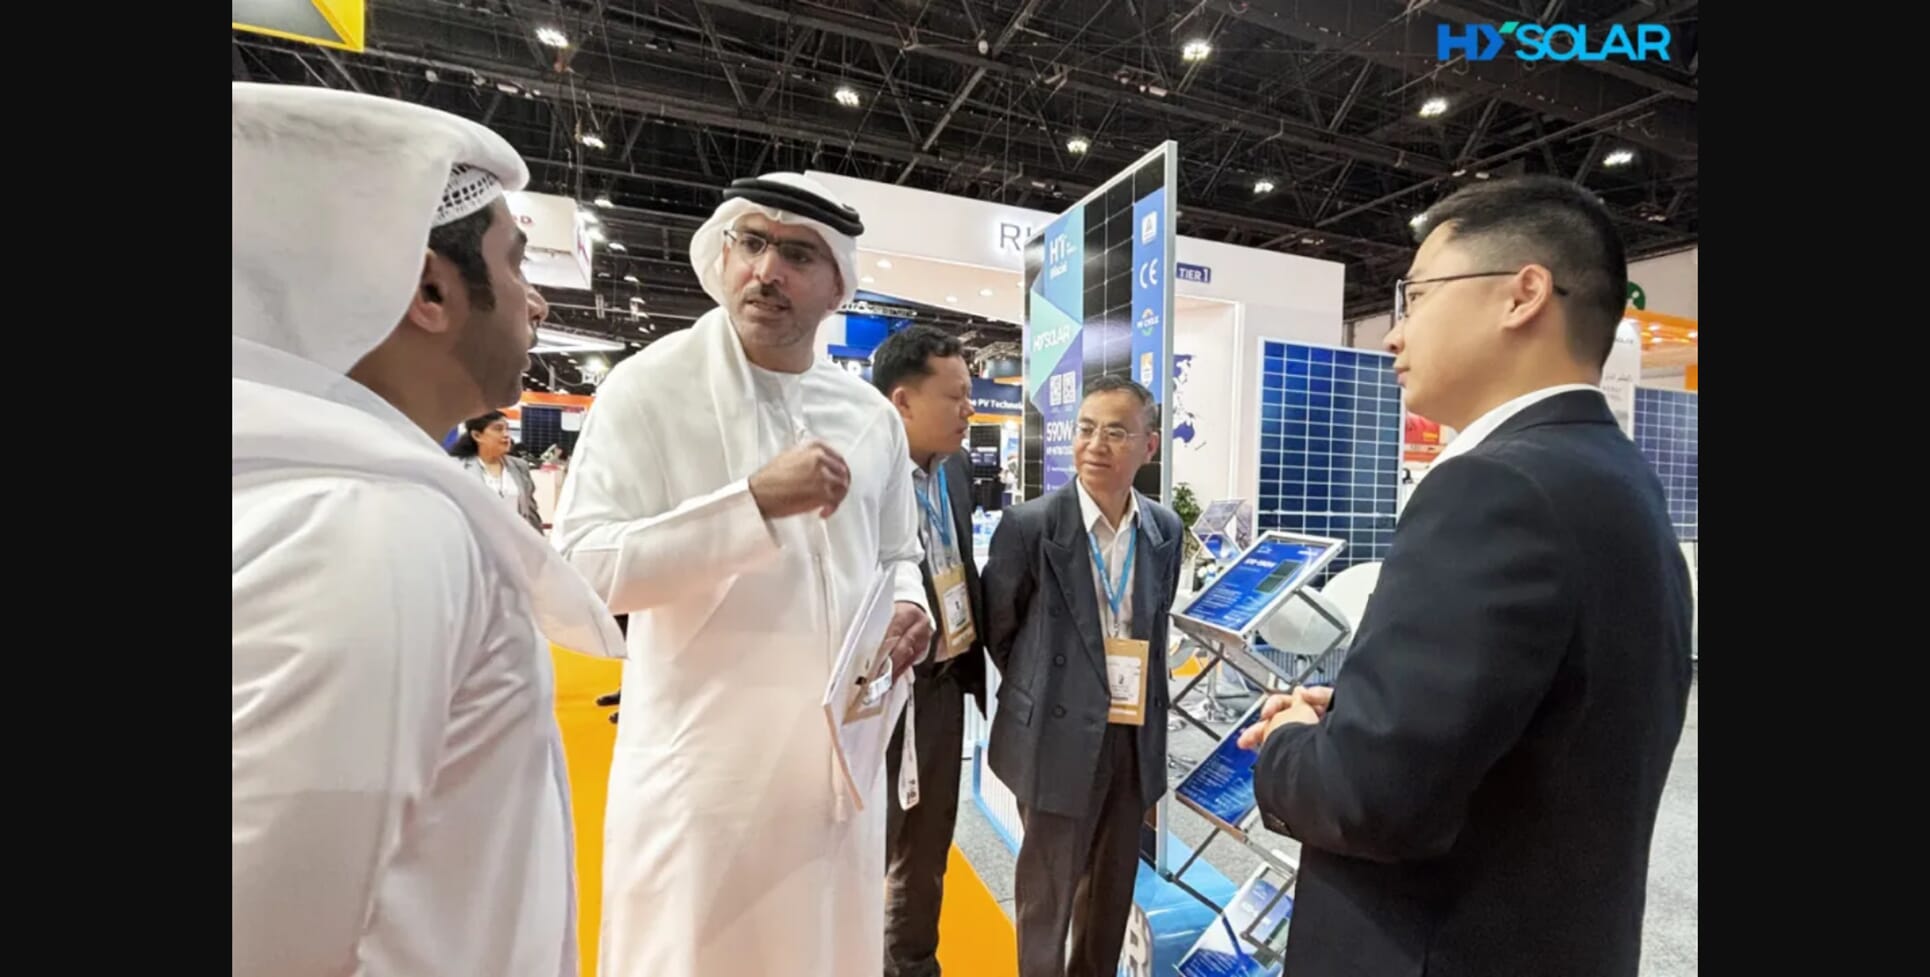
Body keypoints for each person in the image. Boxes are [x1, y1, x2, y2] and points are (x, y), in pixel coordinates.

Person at [1238, 175, 1693, 977]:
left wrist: (1287, 743)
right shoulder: (1616, 477)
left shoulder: (1492, 487)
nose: (1393, 334)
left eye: (1416, 296)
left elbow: (1368, 799)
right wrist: (1362, 713)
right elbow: (1547, 722)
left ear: (1522, 294)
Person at [231, 83, 625, 977]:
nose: (537, 302)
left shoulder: (321, 492)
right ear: (430, 288)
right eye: (516, 264)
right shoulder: (372, 526)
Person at [548, 172, 933, 977]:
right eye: (751, 242)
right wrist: (751, 504)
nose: (767, 270)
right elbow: (585, 565)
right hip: (702, 782)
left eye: (798, 254)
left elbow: (901, 554)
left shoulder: (869, 417)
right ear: (721, 255)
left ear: (838, 286)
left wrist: (910, 609)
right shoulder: (650, 388)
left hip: (832, 785)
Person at [981, 376, 1184, 977]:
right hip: (1054, 733)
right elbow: (1003, 630)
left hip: (1130, 735)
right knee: (1047, 897)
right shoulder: (1030, 525)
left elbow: (1154, 620)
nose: (1095, 445)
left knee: (1110, 894)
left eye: (1116, 432)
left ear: (1149, 446)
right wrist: (1054, 689)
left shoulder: (1164, 529)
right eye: (1086, 429)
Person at [868, 325, 989, 977]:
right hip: (878, 693)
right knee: (870, 842)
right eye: (956, 395)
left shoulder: (958, 468)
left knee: (930, 840)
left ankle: (914, 964)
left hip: (943, 684)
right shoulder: (861, 473)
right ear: (903, 401)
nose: (970, 409)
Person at [452, 410, 546, 532]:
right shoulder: (459, 467)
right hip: (478, 538)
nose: (506, 434)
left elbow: (531, 511)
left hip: (514, 538)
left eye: (507, 429)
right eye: (498, 429)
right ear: (477, 435)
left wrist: (538, 539)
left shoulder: (520, 466)